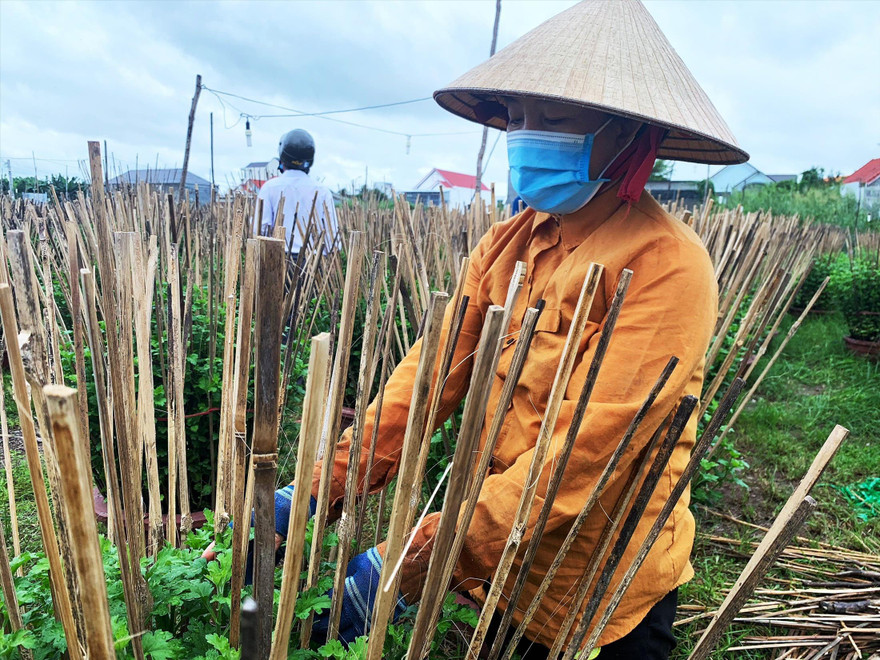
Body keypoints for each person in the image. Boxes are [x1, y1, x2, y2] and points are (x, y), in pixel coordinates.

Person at [220, 0, 749, 656]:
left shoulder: (666, 267)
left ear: (627, 134)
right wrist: (324, 484)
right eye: (518, 117)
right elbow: (429, 377)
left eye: (552, 118)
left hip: (603, 583)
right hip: (501, 566)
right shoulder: (507, 247)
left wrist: (428, 551)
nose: (526, 134)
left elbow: (588, 451)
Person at [255, 129, 338, 254]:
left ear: (282, 156)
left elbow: (260, 231)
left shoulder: (269, 188)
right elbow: (332, 241)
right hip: (314, 264)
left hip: (276, 261)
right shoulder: (322, 191)